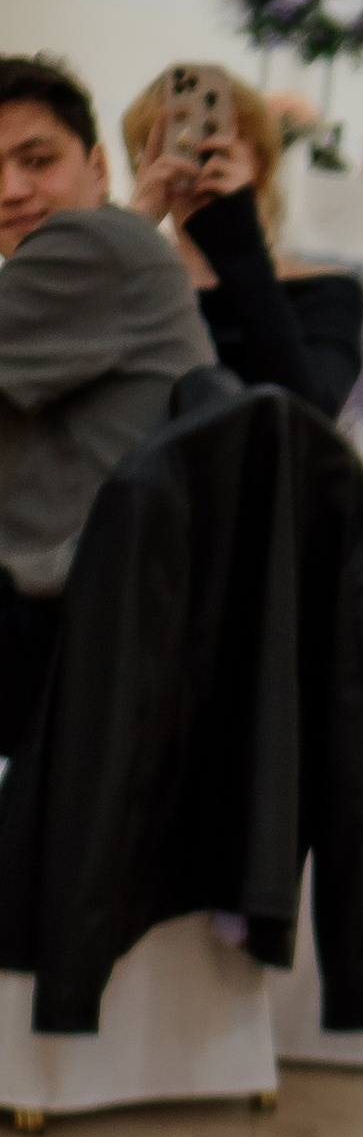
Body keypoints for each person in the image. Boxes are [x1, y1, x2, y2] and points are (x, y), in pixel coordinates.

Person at [0, 53, 210, 750]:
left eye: (36, 159)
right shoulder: (111, 244)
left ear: (97, 165)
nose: (10, 188)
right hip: (106, 625)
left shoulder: (87, 244)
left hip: (64, 641)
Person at [121, 69, 363, 418]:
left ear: (259, 161)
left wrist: (240, 243)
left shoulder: (325, 293)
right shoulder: (131, 283)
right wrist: (129, 230)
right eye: (171, 140)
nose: (194, 152)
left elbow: (304, 421)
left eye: (213, 135)